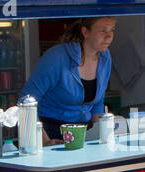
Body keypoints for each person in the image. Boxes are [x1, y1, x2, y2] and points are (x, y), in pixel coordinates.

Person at [19, 16, 115, 144]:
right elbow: (25, 103)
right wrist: (44, 141)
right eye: (103, 30)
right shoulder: (56, 58)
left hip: (84, 131)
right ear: (85, 32)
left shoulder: (105, 57)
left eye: (112, 30)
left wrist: (100, 130)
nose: (109, 36)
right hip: (52, 132)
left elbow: (98, 100)